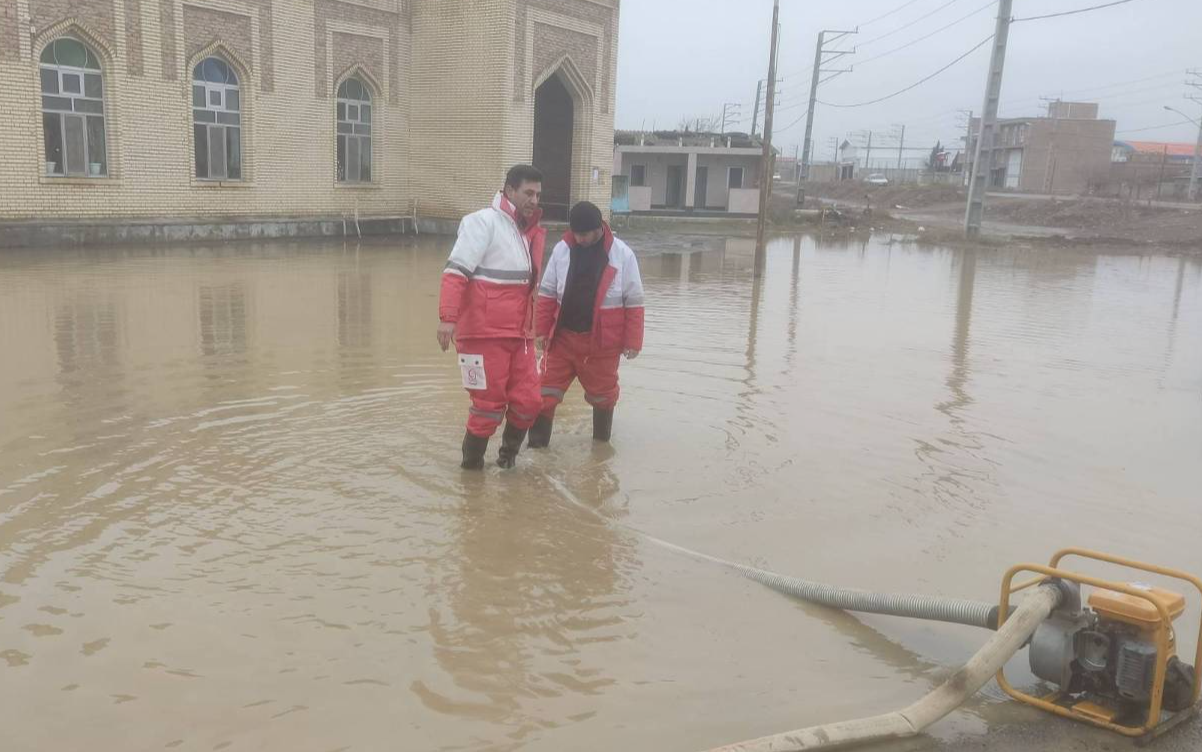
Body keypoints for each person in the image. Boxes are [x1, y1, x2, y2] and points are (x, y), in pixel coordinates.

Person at [437, 165, 547, 470]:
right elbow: (455, 273)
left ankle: (506, 461)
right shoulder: (481, 223)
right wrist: (448, 317)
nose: (533, 199)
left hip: (520, 335)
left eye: (537, 194)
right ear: (509, 190)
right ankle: (471, 475)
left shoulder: (527, 232)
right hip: (483, 334)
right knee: (487, 408)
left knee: (530, 402)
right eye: (528, 192)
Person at [530, 201, 644, 448]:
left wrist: (633, 342)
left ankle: (601, 452)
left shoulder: (622, 254)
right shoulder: (562, 249)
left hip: (602, 345)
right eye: (575, 233)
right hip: (562, 340)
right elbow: (547, 293)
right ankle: (536, 451)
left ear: (598, 229)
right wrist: (540, 330)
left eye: (583, 234)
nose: (578, 239)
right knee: (542, 395)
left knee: (604, 398)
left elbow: (634, 301)